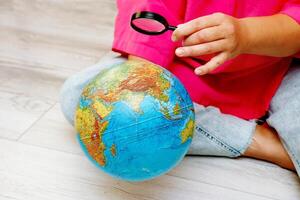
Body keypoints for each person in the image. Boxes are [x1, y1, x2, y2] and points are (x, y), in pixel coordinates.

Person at [60, 0, 300, 175]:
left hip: (279, 65)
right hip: (180, 64)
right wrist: (143, 94)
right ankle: (260, 142)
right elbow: (149, 12)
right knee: (81, 95)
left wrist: (247, 34)